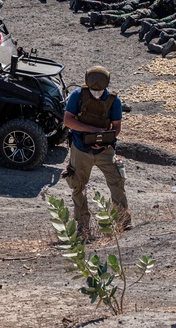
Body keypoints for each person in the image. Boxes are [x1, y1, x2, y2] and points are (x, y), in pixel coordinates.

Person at [62, 66, 130, 238]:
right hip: (80, 147)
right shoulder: (78, 95)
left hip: (104, 149)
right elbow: (68, 120)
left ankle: (123, 223)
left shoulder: (114, 100)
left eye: (100, 91)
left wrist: (104, 141)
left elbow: (116, 127)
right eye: (93, 90)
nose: (97, 93)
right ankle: (83, 227)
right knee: (78, 185)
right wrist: (92, 131)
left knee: (117, 181)